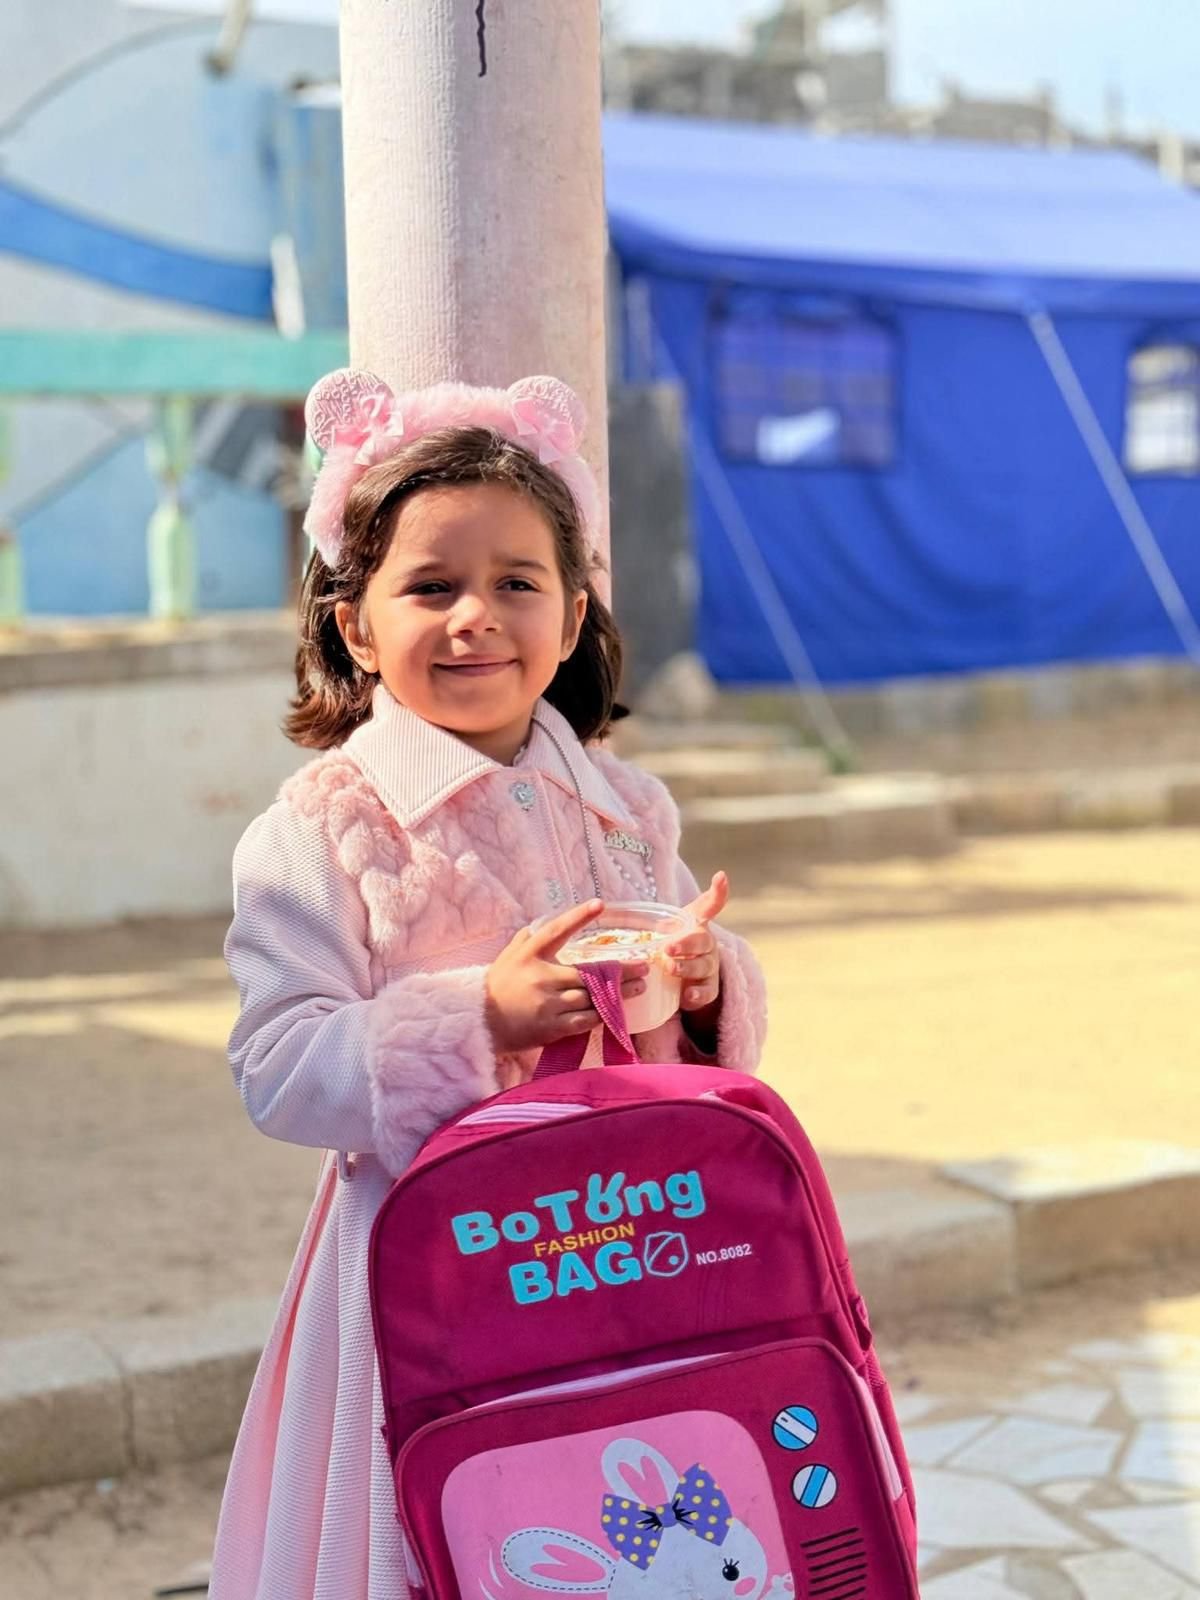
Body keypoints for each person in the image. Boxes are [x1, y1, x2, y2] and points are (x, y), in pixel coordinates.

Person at [208, 369, 768, 1600]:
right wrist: (477, 1019)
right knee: (460, 1522)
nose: (477, 617)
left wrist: (699, 980)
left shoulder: (628, 808)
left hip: (631, 1247)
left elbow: (689, 1024)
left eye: (517, 583)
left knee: (627, 1512)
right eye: (431, 586)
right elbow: (279, 1065)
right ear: (356, 626)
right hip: (432, 1271)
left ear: (571, 618)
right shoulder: (322, 829)